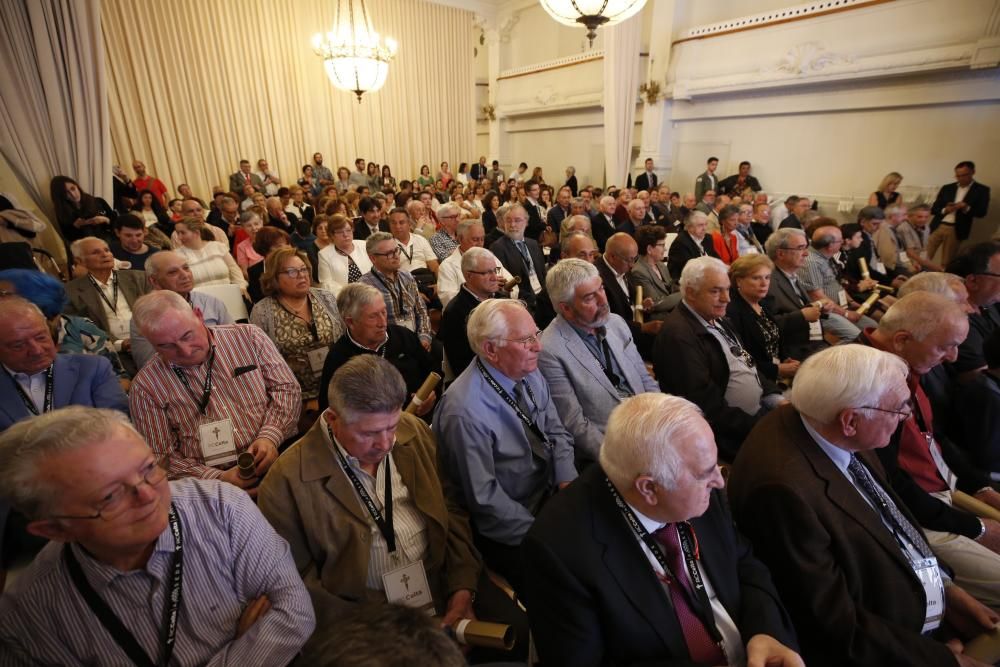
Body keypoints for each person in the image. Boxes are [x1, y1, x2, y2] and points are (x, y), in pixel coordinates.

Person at [728, 345, 998, 667]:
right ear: (850, 421)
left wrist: (947, 589)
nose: (906, 417)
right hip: (893, 647)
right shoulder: (781, 490)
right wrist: (944, 660)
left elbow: (893, 520)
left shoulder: (830, 421)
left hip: (921, 610)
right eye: (899, 409)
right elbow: (833, 623)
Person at [0, 407, 315, 665]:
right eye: (110, 496)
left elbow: (294, 612)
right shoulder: (28, 619)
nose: (148, 495)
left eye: (149, 468)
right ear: (54, 529)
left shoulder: (222, 507)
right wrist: (247, 652)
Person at [257, 356, 520, 661]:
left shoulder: (414, 432)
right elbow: (295, 582)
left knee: (517, 634)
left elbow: (453, 509)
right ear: (332, 419)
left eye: (391, 426)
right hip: (360, 614)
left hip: (438, 580)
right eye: (369, 433)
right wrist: (376, 631)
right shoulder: (286, 479)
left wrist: (462, 587)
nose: (385, 444)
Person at [522, 393, 802, 667]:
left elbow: (743, 562)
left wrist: (766, 631)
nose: (719, 481)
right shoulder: (558, 551)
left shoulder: (699, 482)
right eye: (705, 474)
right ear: (649, 488)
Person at [858, 293, 1000, 606]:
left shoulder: (905, 364)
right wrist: (975, 527)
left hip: (943, 497)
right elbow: (887, 485)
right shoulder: (867, 382)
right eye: (945, 346)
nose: (953, 357)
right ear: (902, 339)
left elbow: (933, 440)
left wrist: (981, 486)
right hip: (916, 517)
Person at [434, 299, 578, 590]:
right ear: (490, 349)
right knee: (569, 583)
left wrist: (567, 481)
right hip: (510, 525)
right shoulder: (464, 410)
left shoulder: (527, 369)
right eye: (526, 340)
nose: (538, 346)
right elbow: (485, 499)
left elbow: (557, 431)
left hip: (550, 494)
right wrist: (543, 533)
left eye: (536, 334)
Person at [129, 291, 300, 487]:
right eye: (166, 346)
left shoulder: (249, 337)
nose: (185, 350)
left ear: (198, 315)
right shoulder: (145, 387)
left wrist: (270, 436)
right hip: (212, 483)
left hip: (280, 452)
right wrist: (218, 479)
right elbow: (161, 457)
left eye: (187, 335)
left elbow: (287, 389)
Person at [653, 256, 783, 459]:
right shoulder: (679, 336)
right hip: (729, 436)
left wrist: (776, 399)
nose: (727, 299)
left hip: (756, 412)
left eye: (727, 289)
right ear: (690, 292)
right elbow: (705, 405)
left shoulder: (716, 317)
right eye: (715, 291)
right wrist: (761, 427)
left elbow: (747, 364)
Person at [538, 259, 659, 467]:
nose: (603, 300)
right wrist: (619, 460)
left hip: (647, 423)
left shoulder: (616, 323)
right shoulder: (549, 350)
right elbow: (575, 423)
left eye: (601, 288)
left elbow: (644, 378)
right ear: (565, 309)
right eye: (589, 298)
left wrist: (663, 417)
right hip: (611, 444)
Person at [0, 297, 128, 430]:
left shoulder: (93, 369)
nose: (37, 350)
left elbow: (122, 426)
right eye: (18, 345)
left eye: (41, 337)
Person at [318, 284, 437, 418]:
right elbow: (329, 411)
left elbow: (433, 371)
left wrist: (431, 395)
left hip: (418, 422)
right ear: (350, 322)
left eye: (383, 312)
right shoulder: (339, 358)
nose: (382, 322)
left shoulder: (404, 336)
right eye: (373, 316)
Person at [250, 247, 343, 402]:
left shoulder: (326, 298)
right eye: (292, 272)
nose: (302, 276)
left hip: (336, 388)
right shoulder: (262, 312)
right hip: (293, 396)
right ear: (274, 277)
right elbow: (261, 363)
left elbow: (344, 340)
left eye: (304, 269)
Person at [129, 251, 234, 368]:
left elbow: (232, 343)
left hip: (223, 367)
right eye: (173, 272)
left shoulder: (212, 303)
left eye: (186, 268)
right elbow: (148, 364)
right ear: (154, 281)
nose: (185, 275)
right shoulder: (144, 317)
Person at [65, 236, 150, 354]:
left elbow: (157, 312)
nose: (105, 255)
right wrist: (119, 344)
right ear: (80, 261)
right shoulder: (70, 291)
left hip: (148, 341)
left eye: (107, 250)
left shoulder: (139, 278)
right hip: (109, 350)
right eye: (96, 252)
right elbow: (78, 327)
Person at [726, 254, 800, 384]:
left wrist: (785, 359)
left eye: (767, 277)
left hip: (778, 372)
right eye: (756, 278)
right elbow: (740, 358)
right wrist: (776, 370)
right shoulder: (732, 311)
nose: (764, 283)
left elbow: (774, 339)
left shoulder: (764, 302)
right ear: (738, 280)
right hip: (756, 380)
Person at [765, 228, 836, 358]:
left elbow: (801, 308)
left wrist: (821, 309)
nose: (806, 254)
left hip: (812, 343)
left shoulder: (792, 275)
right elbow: (767, 325)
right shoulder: (767, 282)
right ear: (781, 254)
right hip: (793, 352)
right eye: (800, 248)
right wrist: (801, 316)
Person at [439, 247, 506, 378]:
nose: (494, 277)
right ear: (469, 275)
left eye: (495, 270)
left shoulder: (501, 299)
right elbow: (463, 365)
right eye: (487, 273)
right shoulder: (455, 312)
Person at [359, 232, 432, 350]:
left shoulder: (407, 276)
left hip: (415, 339)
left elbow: (421, 310)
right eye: (389, 253)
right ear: (373, 258)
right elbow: (368, 327)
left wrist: (424, 337)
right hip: (389, 347)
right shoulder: (364, 287)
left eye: (396, 250)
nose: (396, 256)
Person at [927, 161, 991, 266]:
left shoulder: (981, 190)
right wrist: (945, 210)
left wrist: (966, 207)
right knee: (923, 256)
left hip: (956, 229)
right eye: (958, 176)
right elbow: (934, 209)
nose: (960, 178)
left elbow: (982, 213)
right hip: (938, 225)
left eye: (964, 175)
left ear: (973, 172)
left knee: (947, 262)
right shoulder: (947, 188)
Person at [490, 203, 547, 315]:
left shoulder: (533, 244)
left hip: (542, 297)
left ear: (526, 222)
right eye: (508, 220)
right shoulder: (497, 248)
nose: (512, 225)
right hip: (521, 303)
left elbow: (542, 274)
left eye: (517, 220)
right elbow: (502, 283)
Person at [173, 217, 247, 291]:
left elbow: (234, 269)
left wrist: (241, 287)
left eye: (183, 233)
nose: (179, 237)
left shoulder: (218, 246)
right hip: (199, 299)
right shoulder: (176, 255)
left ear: (196, 233)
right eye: (178, 233)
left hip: (227, 293)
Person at [50, 175, 117, 244]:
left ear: (77, 186)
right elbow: (69, 237)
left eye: (73, 188)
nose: (73, 194)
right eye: (66, 193)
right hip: (86, 248)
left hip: (110, 241)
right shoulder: (63, 213)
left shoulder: (98, 201)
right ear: (61, 196)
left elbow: (117, 224)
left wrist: (105, 219)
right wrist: (75, 226)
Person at [629, 225, 677, 321]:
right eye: (662, 245)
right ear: (649, 249)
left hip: (673, 312)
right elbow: (656, 304)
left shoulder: (661, 265)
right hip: (660, 320)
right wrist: (684, 294)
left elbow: (672, 287)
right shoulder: (638, 272)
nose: (665, 249)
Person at [317, 214, 372, 295]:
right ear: (331, 235)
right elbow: (326, 283)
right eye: (340, 232)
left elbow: (376, 270)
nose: (345, 235)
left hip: (371, 293)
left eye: (348, 230)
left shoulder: (364, 245)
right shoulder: (324, 255)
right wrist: (349, 295)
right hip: (345, 298)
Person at [667, 210, 718, 282]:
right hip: (687, 280)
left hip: (705, 277)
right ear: (689, 227)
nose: (704, 228)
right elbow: (689, 269)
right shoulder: (681, 243)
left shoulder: (708, 238)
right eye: (700, 225)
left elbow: (716, 259)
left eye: (705, 224)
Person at [235, 209, 265, 279]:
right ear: (243, 228)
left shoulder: (273, 239)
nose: (254, 228)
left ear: (262, 223)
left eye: (256, 224)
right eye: (249, 226)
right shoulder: (241, 247)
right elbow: (245, 273)